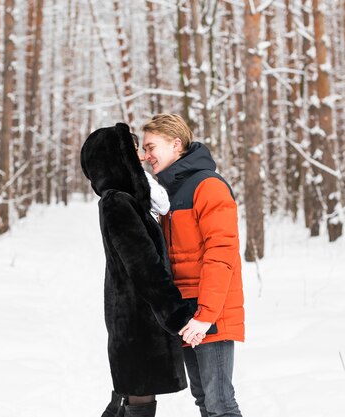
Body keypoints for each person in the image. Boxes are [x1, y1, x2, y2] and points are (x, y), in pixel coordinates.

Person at [80, 122, 203, 417]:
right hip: (136, 320)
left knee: (132, 396)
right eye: (133, 149)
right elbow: (144, 267)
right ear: (116, 156)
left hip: (137, 316)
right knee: (138, 398)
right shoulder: (118, 202)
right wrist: (177, 316)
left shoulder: (129, 201)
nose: (143, 156)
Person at [141, 113, 245, 417]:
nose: (147, 157)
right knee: (203, 399)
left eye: (151, 147)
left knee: (220, 402)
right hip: (187, 311)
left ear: (176, 144)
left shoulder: (208, 186)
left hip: (208, 310)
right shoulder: (165, 195)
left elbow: (221, 253)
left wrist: (206, 316)